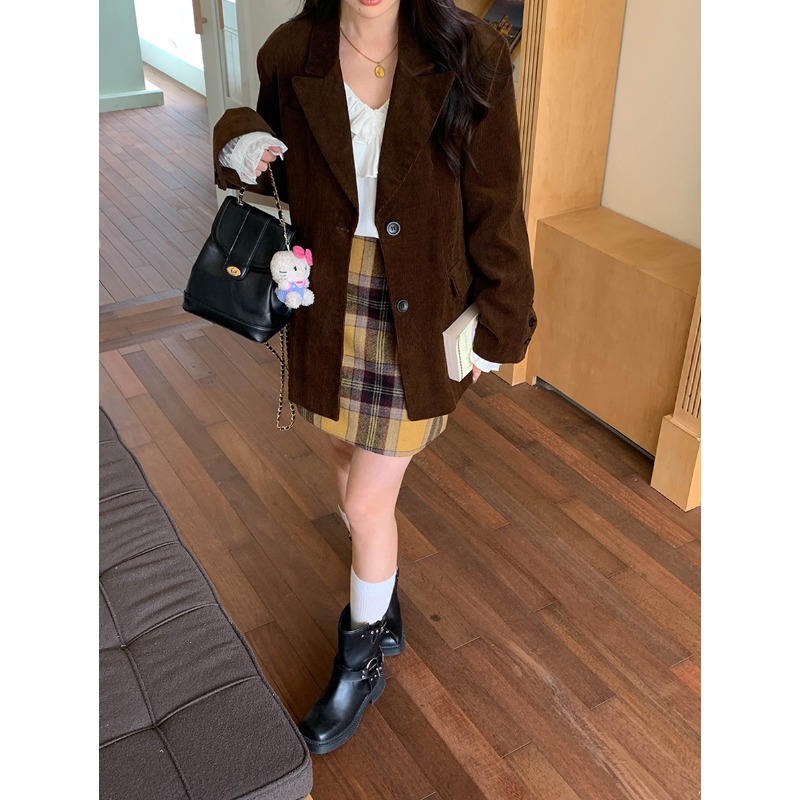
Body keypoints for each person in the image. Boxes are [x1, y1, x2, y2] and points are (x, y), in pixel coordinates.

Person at [212, 0, 536, 754]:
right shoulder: (292, 50)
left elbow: (497, 204)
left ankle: (361, 657)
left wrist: (504, 319)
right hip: (326, 297)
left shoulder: (472, 54)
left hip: (416, 306)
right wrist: (242, 140)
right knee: (342, 453)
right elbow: (265, 154)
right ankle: (381, 602)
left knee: (364, 501)